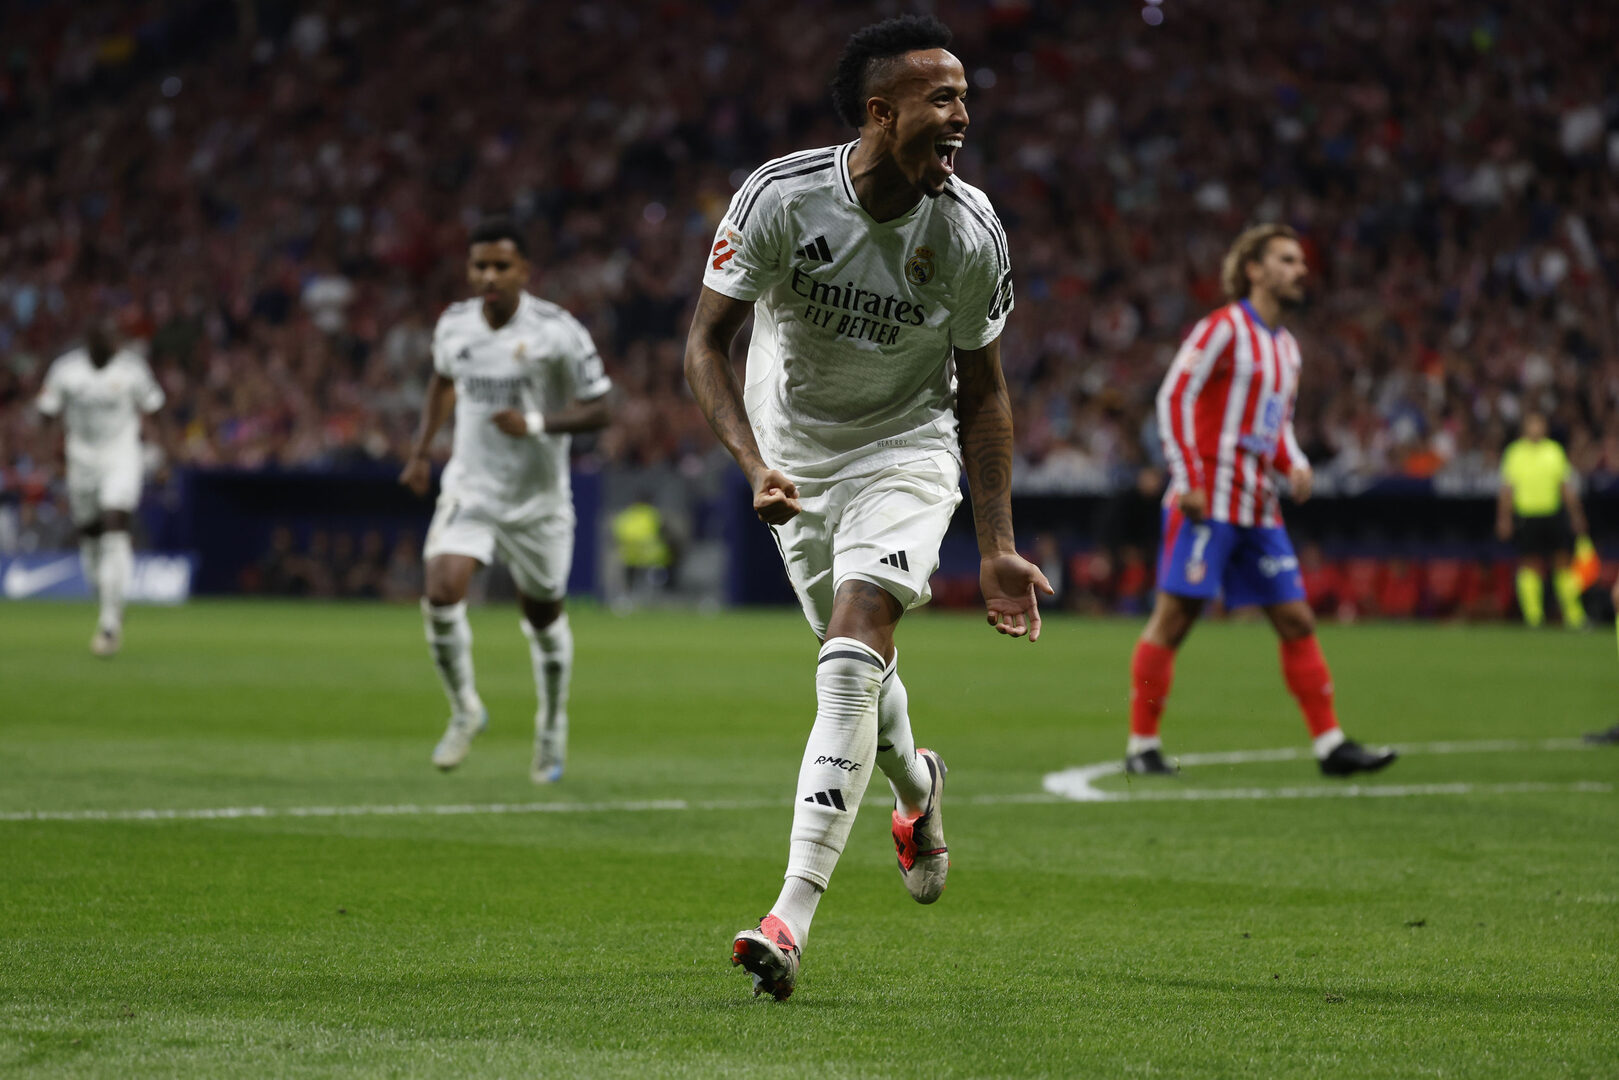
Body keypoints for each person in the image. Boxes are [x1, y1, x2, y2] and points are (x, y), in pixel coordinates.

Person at [684, 14, 1050, 1001]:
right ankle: (917, 786)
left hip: (904, 452)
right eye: (942, 99)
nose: (962, 116)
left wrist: (997, 544)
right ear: (880, 113)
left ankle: (788, 918)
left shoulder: (968, 229)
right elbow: (704, 345)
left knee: (850, 655)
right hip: (794, 466)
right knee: (855, 673)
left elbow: (984, 393)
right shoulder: (780, 196)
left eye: (965, 98)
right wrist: (752, 463)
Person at [1126, 224, 1396, 779]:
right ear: (1255, 269)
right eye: (1287, 260)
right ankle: (1142, 744)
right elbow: (1174, 396)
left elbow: (1276, 425)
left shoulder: (1287, 348)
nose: (1301, 270)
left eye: (1301, 262)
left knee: (1296, 617)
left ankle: (1330, 745)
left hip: (1258, 505)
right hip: (1207, 501)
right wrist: (1187, 476)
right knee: (1174, 618)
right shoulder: (1223, 328)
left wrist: (1293, 461)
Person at [400, 219, 613, 782]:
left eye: (501, 266)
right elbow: (443, 381)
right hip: (471, 486)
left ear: (523, 271)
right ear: (470, 271)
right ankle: (465, 709)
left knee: (542, 617)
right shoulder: (454, 325)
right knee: (441, 590)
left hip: (538, 500)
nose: (489, 276)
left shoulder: (557, 332)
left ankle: (551, 726)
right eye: (480, 266)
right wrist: (420, 452)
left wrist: (535, 423)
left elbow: (602, 407)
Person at [35, 321, 165, 656]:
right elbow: (47, 412)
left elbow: (154, 408)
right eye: (104, 340)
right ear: (90, 342)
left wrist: (163, 451)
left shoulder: (132, 370)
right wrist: (47, 456)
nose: (112, 345)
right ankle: (110, 603)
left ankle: (108, 625)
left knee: (115, 525)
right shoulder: (66, 371)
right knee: (91, 540)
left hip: (121, 455)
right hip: (81, 460)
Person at [1496, 412, 1588, 629]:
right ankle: (1534, 618)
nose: (1535, 428)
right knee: (1530, 565)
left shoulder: (1554, 451)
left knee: (1562, 563)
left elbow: (1565, 486)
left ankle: (1574, 616)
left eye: (1539, 423)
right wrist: (1504, 518)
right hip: (1527, 516)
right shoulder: (1514, 453)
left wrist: (1576, 515)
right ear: (1524, 428)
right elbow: (1507, 490)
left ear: (1545, 427)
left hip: (1552, 514)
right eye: (1531, 424)